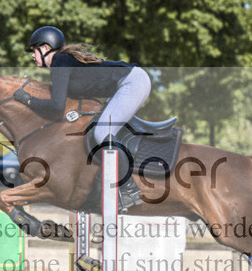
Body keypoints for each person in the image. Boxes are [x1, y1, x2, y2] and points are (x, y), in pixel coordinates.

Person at [14, 25, 151, 210]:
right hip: (126, 83)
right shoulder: (63, 61)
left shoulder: (59, 61)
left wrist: (29, 101)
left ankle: (129, 189)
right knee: (96, 129)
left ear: (45, 48)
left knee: (102, 133)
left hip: (132, 82)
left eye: (34, 50)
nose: (32, 55)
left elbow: (56, 106)